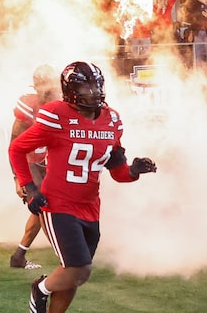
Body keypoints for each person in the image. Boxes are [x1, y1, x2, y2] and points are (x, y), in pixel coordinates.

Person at [9, 61, 156, 313]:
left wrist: (133, 171)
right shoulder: (55, 114)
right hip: (58, 204)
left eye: (96, 86)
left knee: (75, 275)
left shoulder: (111, 120)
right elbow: (17, 148)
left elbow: (118, 172)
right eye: (85, 87)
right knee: (80, 268)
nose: (92, 92)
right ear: (70, 90)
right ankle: (41, 288)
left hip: (90, 207)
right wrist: (29, 187)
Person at [9, 64, 60, 270]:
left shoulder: (59, 105)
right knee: (46, 208)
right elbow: (13, 144)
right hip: (29, 163)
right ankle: (64, 256)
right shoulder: (29, 105)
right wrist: (17, 178)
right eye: (42, 85)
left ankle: (19, 256)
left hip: (46, 162)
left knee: (43, 209)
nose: (46, 90)